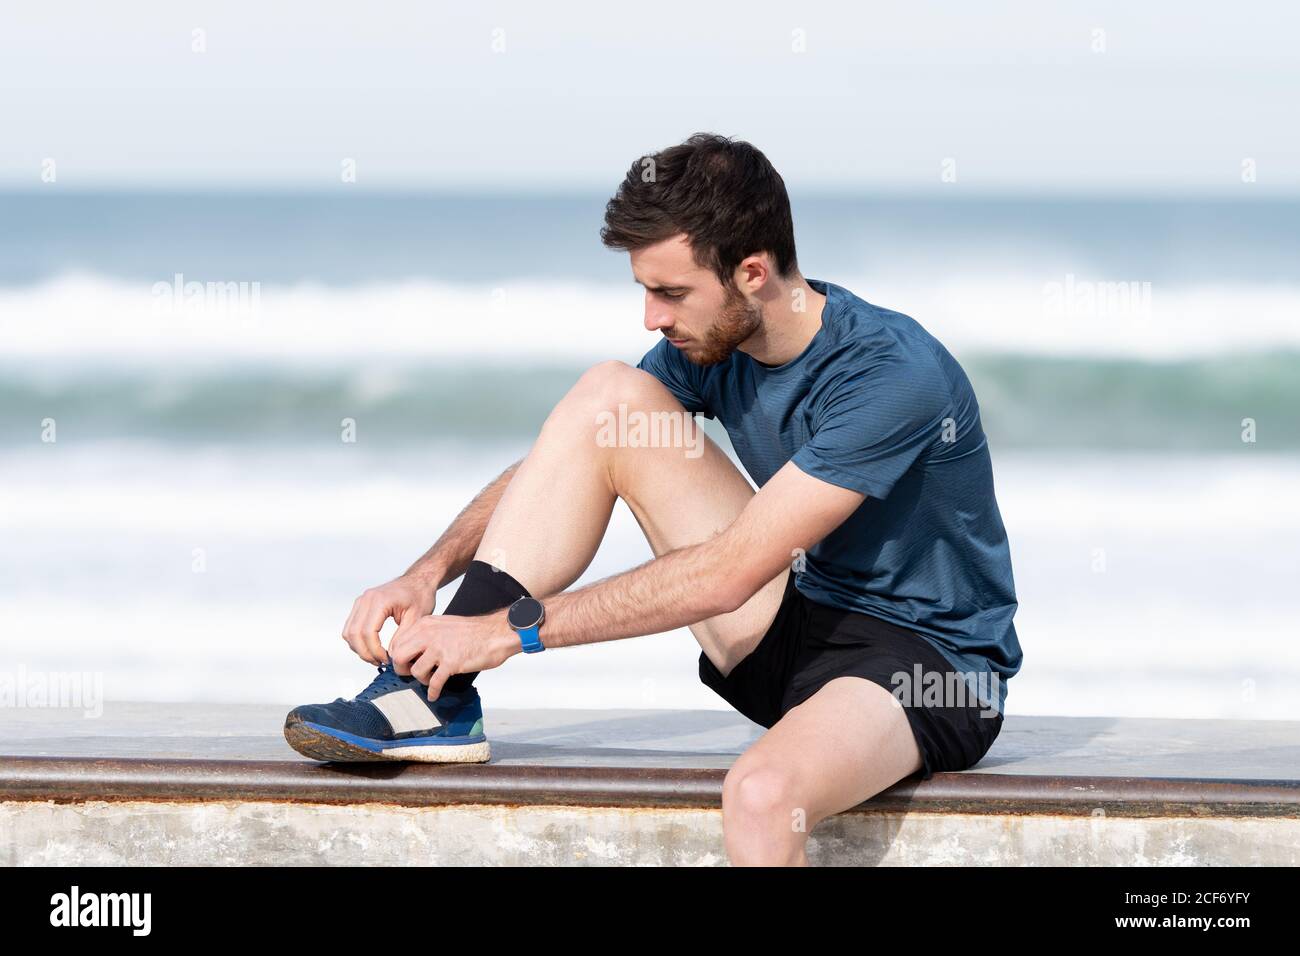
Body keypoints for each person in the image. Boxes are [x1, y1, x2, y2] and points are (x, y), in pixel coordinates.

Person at [283, 132, 1023, 866]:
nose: (652, 317)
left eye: (670, 292)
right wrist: (427, 573)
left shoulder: (891, 375)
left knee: (762, 793)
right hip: (796, 630)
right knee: (610, 395)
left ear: (754, 273)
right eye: (645, 289)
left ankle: (458, 661)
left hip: (931, 672)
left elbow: (728, 573)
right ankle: (436, 699)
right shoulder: (711, 345)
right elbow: (567, 455)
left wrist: (511, 631)